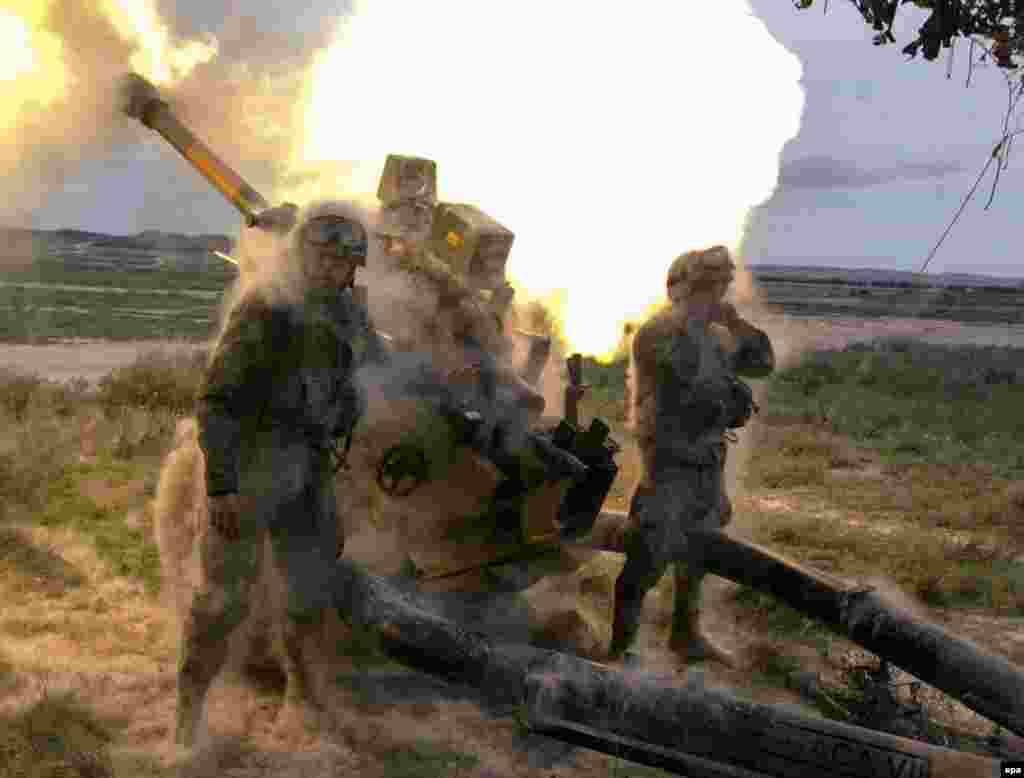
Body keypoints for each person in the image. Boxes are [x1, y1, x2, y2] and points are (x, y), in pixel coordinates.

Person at [173, 200, 388, 747]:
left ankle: (304, 708)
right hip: (249, 467)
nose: (329, 269)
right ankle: (186, 717)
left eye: (341, 263)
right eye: (320, 257)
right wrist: (220, 486)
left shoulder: (347, 314)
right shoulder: (264, 309)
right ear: (301, 255)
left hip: (308, 469)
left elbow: (374, 369)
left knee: (311, 598)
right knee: (221, 601)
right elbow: (218, 403)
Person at [608, 245, 774, 666]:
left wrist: (736, 324)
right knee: (652, 548)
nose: (714, 297)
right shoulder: (659, 332)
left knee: (701, 542)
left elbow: (761, 363)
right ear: (681, 290)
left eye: (720, 287)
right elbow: (690, 386)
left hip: (705, 456)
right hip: (668, 457)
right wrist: (727, 389)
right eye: (705, 287)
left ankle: (685, 632)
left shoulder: (717, 331)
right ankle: (622, 645)